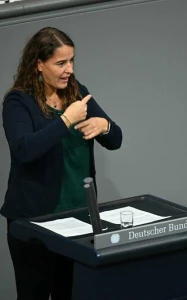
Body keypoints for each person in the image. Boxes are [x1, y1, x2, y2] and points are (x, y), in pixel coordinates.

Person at [1, 27, 123, 300]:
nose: (69, 69)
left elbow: (116, 139)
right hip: (33, 221)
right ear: (39, 64)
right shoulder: (18, 102)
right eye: (60, 63)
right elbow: (24, 150)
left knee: (69, 293)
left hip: (78, 220)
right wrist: (66, 120)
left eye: (72, 61)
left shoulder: (78, 93)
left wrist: (104, 126)